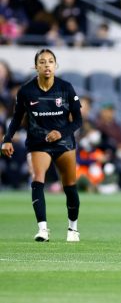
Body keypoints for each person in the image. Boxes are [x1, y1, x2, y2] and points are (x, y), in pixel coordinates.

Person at [1, 49, 82, 242]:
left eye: (51, 61)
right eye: (43, 62)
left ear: (56, 65)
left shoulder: (66, 88)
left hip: (64, 142)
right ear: (36, 66)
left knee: (70, 186)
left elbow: (78, 120)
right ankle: (43, 230)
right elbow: (17, 118)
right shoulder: (26, 91)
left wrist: (60, 132)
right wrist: (7, 139)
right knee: (37, 179)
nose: (47, 65)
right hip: (39, 143)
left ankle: (73, 229)